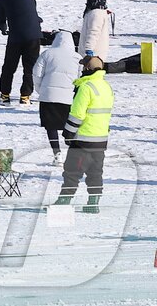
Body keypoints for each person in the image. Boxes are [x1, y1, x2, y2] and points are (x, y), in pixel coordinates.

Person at [54, 55, 112, 213]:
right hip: (100, 140)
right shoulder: (106, 86)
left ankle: (63, 201)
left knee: (72, 171)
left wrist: (68, 133)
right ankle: (93, 203)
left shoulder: (86, 87)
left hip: (83, 140)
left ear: (87, 68)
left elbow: (77, 114)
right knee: (95, 173)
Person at [0, 0, 55, 104]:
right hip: (33, 32)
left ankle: (4, 95)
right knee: (30, 66)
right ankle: (25, 96)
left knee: (9, 66)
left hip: (15, 34)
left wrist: (2, 27)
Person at [34, 28, 81, 163]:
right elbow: (80, 78)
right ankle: (74, 155)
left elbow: (36, 73)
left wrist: (40, 90)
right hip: (68, 98)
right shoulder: (77, 57)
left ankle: (57, 154)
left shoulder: (47, 54)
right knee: (71, 127)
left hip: (48, 96)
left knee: (51, 126)